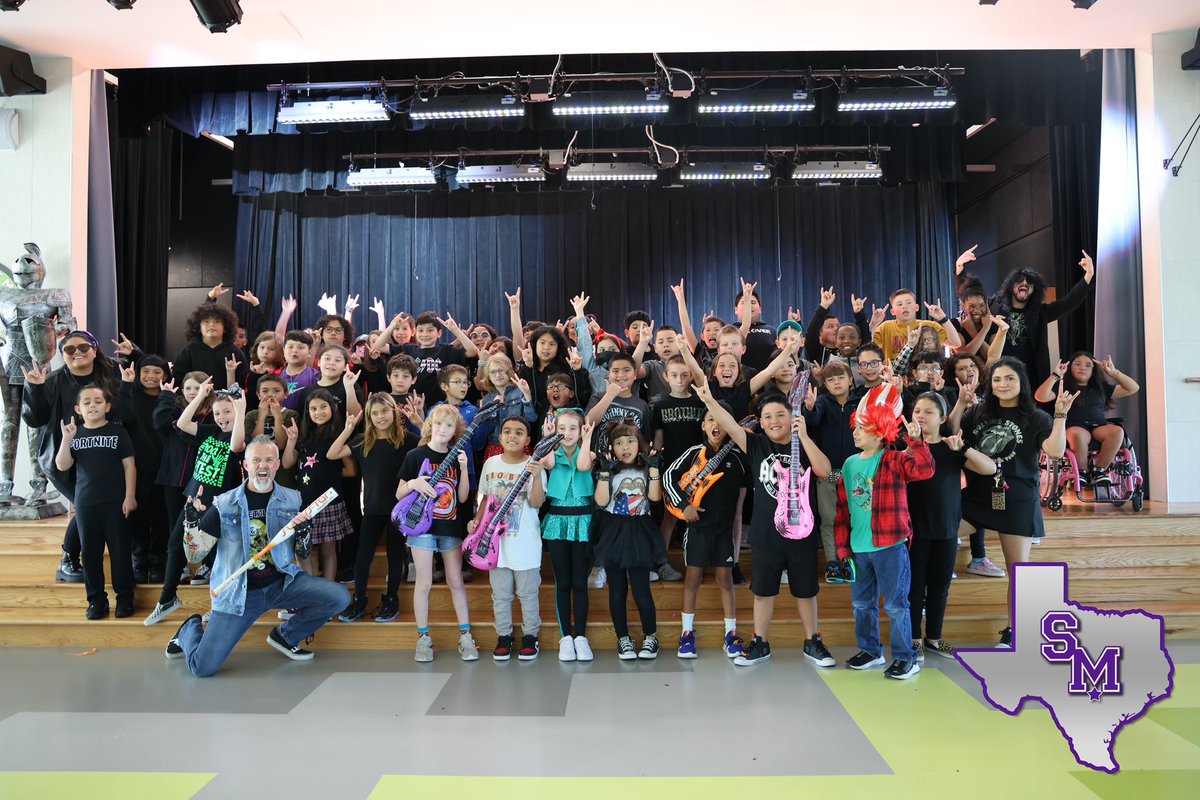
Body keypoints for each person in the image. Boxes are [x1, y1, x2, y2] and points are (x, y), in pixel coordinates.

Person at [164, 435, 350, 676]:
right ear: (246, 465)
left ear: (277, 464)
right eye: (257, 460)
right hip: (239, 595)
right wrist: (191, 522)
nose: (263, 465)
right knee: (202, 668)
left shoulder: (293, 499)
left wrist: (304, 535)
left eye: (269, 460)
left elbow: (301, 552)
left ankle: (286, 636)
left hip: (282, 583)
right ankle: (190, 627)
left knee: (338, 597)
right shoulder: (224, 504)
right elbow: (195, 553)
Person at [692, 381, 836, 668]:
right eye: (767, 417)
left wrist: (804, 436)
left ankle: (812, 641)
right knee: (763, 591)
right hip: (766, 533)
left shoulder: (806, 443)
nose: (773, 421)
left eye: (780, 415)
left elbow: (825, 471)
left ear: (792, 417)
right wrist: (709, 401)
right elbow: (730, 425)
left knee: (806, 591)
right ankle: (760, 642)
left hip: (802, 531)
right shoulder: (756, 444)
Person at [954, 357, 1077, 648]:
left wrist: (1060, 415)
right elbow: (953, 435)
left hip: (1018, 499)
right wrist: (960, 404)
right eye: (997, 380)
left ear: (1021, 383)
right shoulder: (977, 413)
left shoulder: (1038, 418)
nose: (1003, 385)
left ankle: (1015, 630)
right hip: (978, 496)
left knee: (1018, 571)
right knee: (935, 531)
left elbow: (1055, 451)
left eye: (1009, 379)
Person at [835, 389, 933, 680]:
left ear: (879, 433)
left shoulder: (894, 460)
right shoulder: (850, 464)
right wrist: (843, 549)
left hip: (890, 546)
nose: (856, 432)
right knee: (861, 604)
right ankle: (871, 651)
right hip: (859, 548)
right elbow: (842, 511)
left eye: (862, 428)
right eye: (856, 426)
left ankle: (907, 657)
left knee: (896, 605)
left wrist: (915, 440)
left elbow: (925, 470)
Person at [23, 330, 135, 583]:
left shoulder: (113, 374)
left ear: (95, 350)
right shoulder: (51, 380)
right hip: (63, 459)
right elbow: (35, 419)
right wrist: (35, 388)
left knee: (91, 506)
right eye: (69, 350)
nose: (77, 353)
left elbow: (128, 415)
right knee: (85, 505)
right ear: (63, 356)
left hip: (103, 457)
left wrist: (134, 356)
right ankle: (68, 558)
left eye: (83, 346)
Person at [143, 377, 247, 626]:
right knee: (175, 543)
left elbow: (235, 446)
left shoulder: (241, 436)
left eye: (227, 412)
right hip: (194, 499)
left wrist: (241, 411)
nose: (222, 417)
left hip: (219, 505)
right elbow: (181, 423)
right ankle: (168, 598)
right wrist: (201, 395)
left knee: (219, 556)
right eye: (217, 413)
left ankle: (222, 603)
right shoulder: (209, 432)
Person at [907, 392, 996, 661]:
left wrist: (963, 449)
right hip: (914, 533)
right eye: (917, 411)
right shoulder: (907, 447)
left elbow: (989, 469)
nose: (921, 416)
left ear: (943, 418)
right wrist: (911, 444)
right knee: (914, 588)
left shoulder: (951, 448)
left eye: (929, 412)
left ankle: (933, 637)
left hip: (946, 531)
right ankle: (913, 640)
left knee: (940, 587)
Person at [663, 402, 747, 659]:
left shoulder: (739, 459)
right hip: (697, 528)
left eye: (721, 419)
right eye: (711, 419)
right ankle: (687, 634)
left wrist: (737, 540)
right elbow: (668, 477)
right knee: (693, 578)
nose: (716, 425)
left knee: (725, 580)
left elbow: (739, 508)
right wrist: (683, 505)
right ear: (703, 425)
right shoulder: (694, 452)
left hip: (723, 531)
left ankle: (730, 634)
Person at [396, 403, 478, 662]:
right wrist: (413, 483)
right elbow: (399, 494)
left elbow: (463, 497)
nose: (443, 429)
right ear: (431, 426)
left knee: (456, 581)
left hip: (450, 528)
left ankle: (466, 636)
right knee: (425, 582)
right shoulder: (415, 456)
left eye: (449, 425)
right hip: (421, 528)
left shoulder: (457, 456)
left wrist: (464, 469)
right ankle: (423, 638)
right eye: (439, 424)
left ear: (456, 430)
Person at [54, 386, 137, 620]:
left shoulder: (118, 432)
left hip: (116, 502)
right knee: (90, 554)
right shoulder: (74, 433)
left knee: (120, 551)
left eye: (98, 401)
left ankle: (125, 596)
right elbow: (62, 465)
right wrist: (66, 439)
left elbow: (129, 465)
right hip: (86, 503)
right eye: (87, 402)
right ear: (78, 409)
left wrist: (130, 496)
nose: (93, 405)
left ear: (107, 407)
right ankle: (96, 600)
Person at [329, 393, 413, 623]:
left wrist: (418, 419)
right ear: (368, 417)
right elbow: (332, 453)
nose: (380, 417)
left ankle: (391, 599)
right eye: (374, 413)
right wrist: (349, 429)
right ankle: (360, 600)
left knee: (395, 557)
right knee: (363, 558)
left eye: (384, 411)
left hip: (399, 510)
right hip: (373, 510)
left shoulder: (406, 440)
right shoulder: (362, 441)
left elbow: (431, 441)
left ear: (394, 412)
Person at [469, 416, 546, 661]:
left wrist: (536, 475)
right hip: (495, 546)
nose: (512, 436)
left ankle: (530, 637)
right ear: (500, 437)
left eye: (519, 432)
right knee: (500, 594)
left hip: (526, 543)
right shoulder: (491, 464)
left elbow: (536, 503)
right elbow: (486, 499)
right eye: (507, 431)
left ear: (528, 439)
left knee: (528, 594)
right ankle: (504, 636)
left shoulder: (534, 465)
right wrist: (476, 522)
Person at [592, 421, 663, 660]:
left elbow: (654, 498)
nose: (625, 447)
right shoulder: (610, 469)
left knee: (641, 590)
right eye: (619, 442)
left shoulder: (644, 468)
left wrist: (654, 470)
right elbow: (601, 502)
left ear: (639, 444)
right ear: (612, 446)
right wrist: (604, 471)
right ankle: (623, 638)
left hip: (640, 532)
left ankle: (651, 636)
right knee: (617, 591)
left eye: (630, 441)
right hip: (614, 532)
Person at [538, 409, 596, 661]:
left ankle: (581, 636)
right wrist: (549, 438)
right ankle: (566, 637)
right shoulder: (553, 454)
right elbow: (547, 463)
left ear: (581, 429)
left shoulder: (588, 452)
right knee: (563, 582)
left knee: (580, 583)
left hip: (583, 521)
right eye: (562, 428)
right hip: (557, 522)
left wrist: (588, 439)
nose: (568, 433)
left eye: (573, 428)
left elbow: (584, 465)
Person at [989, 251, 1095, 385]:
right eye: (1020, 281)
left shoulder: (1041, 313)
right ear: (1011, 286)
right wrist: (959, 271)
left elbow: (1069, 302)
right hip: (1002, 372)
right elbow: (972, 300)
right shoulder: (995, 306)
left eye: (1030, 283)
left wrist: (1088, 275)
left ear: (1035, 290)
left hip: (1032, 376)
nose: (1025, 283)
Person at [1033, 352, 1140, 485]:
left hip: (1098, 426)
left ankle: (1099, 471)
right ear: (1069, 368)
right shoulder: (1062, 387)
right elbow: (1040, 396)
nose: (1082, 368)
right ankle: (1081, 472)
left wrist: (1114, 373)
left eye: (1088, 365)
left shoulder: (1101, 388)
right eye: (1077, 364)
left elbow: (1133, 388)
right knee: (1079, 434)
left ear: (1094, 371)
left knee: (1117, 431)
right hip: (1073, 427)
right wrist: (1055, 375)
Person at [282, 388, 355, 581]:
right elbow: (287, 463)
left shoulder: (338, 435)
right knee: (303, 549)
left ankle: (328, 590)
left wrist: (326, 473)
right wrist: (292, 440)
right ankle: (308, 591)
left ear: (332, 408)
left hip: (329, 502)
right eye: (313, 408)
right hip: (304, 503)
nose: (318, 412)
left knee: (328, 550)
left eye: (323, 407)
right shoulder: (304, 435)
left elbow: (351, 470)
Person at [802, 361, 859, 583]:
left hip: (856, 475)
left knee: (855, 519)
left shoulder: (860, 402)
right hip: (829, 474)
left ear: (850, 380)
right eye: (831, 379)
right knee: (829, 520)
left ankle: (851, 561)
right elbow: (813, 421)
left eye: (840, 377)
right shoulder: (823, 401)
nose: (836, 382)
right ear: (824, 383)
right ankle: (832, 563)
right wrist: (809, 407)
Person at [116, 355, 170, 583]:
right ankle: (139, 560)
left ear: (165, 376)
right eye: (145, 371)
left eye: (157, 372)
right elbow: (123, 417)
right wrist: (126, 385)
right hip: (137, 468)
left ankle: (158, 561)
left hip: (166, 469)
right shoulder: (131, 396)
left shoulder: (171, 398)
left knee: (161, 517)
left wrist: (168, 396)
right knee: (138, 516)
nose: (151, 376)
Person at [173, 302, 248, 391]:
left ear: (226, 328)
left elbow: (242, 383)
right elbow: (179, 381)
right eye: (206, 321)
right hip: (194, 401)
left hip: (225, 402)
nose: (211, 324)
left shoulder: (235, 352)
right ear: (199, 327)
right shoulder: (188, 351)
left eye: (217, 321)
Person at [872, 288, 962, 362]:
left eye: (909, 302)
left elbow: (956, 343)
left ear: (916, 307)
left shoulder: (929, 326)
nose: (904, 306)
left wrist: (943, 318)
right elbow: (869, 349)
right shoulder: (885, 327)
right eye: (899, 304)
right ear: (892, 311)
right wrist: (873, 325)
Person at [477, 353, 537, 460]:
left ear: (509, 372)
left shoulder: (520, 392)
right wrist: (493, 411)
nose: (497, 375)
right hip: (495, 446)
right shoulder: (486, 400)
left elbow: (531, 419)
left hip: (519, 444)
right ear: (489, 376)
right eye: (493, 372)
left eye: (501, 370)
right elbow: (486, 432)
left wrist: (527, 395)